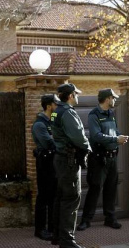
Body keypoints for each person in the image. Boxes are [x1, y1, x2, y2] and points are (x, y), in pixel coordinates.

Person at [77, 89, 128, 231]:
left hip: (112, 158)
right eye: (113, 98)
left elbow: (114, 130)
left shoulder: (111, 113)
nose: (115, 100)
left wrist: (120, 137)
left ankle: (110, 219)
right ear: (107, 99)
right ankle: (86, 220)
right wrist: (115, 139)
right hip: (99, 159)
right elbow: (95, 135)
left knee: (111, 189)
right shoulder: (94, 114)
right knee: (94, 189)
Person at [51, 83, 92, 248]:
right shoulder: (67, 112)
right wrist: (88, 147)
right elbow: (78, 136)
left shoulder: (56, 111)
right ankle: (67, 241)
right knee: (71, 199)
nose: (78, 96)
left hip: (61, 159)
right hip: (69, 160)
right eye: (76, 94)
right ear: (70, 95)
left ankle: (57, 236)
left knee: (61, 198)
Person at [32, 94, 60, 241]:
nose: (58, 106)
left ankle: (52, 227)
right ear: (49, 106)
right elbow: (51, 144)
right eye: (56, 104)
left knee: (53, 197)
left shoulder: (52, 122)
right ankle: (40, 229)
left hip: (53, 162)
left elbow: (59, 138)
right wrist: (57, 140)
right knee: (43, 197)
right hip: (44, 163)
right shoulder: (39, 124)